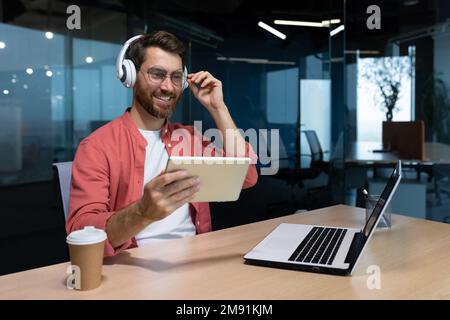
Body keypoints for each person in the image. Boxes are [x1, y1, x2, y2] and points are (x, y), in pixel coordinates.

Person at [65, 31, 258, 257]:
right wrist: (142, 212)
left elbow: (246, 176)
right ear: (130, 75)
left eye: (176, 77)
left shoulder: (189, 137)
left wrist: (218, 108)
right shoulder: (97, 146)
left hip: (194, 259)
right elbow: (82, 229)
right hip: (132, 267)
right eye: (157, 74)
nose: (168, 87)